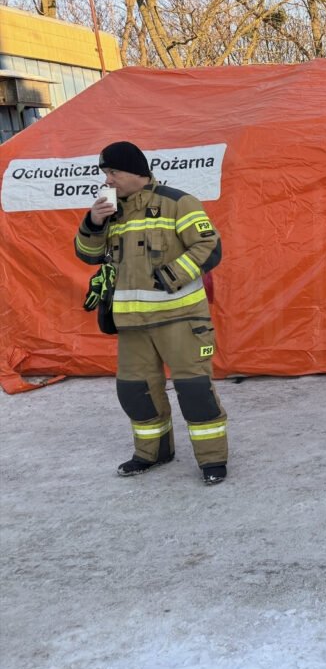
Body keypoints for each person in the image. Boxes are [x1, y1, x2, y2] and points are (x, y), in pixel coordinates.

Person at [74, 141, 229, 484]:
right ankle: (152, 453)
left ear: (135, 172)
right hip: (132, 325)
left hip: (181, 319)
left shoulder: (178, 202)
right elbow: (87, 254)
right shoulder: (111, 209)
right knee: (135, 392)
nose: (108, 179)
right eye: (105, 173)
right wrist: (94, 223)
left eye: (113, 172)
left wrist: (171, 276)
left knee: (195, 391)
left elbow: (210, 246)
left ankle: (213, 461)